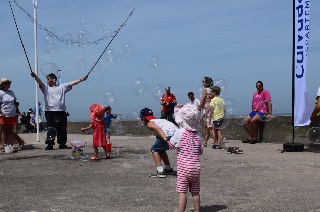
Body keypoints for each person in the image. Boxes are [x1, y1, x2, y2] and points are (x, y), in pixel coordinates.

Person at [31, 72, 88, 150]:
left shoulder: (62, 87)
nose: (47, 80)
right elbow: (39, 82)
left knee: (62, 128)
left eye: (48, 79)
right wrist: (35, 76)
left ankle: (62, 144)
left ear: (53, 80)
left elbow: (71, 83)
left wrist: (81, 79)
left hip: (61, 111)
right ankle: (50, 144)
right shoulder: (45, 87)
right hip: (49, 111)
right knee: (50, 128)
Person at [167, 104, 203, 212]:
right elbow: (200, 151)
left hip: (183, 168)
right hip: (196, 167)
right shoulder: (198, 135)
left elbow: (171, 146)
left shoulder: (179, 132)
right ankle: (197, 210)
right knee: (195, 192)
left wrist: (168, 141)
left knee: (182, 192)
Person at [140, 107, 176, 178]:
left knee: (155, 149)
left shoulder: (149, 123)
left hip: (167, 135)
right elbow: (159, 134)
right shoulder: (158, 120)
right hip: (176, 133)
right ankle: (168, 169)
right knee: (161, 150)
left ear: (143, 118)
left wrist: (166, 140)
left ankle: (160, 171)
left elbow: (158, 130)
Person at [0, 78, 18, 152]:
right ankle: (4, 145)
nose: (9, 85)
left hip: (12, 113)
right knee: (4, 130)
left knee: (10, 130)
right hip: (4, 114)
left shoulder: (11, 92)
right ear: (3, 84)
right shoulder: (0, 93)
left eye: (9, 83)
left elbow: (14, 101)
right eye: (7, 83)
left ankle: (11, 145)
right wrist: (1, 112)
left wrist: (16, 109)